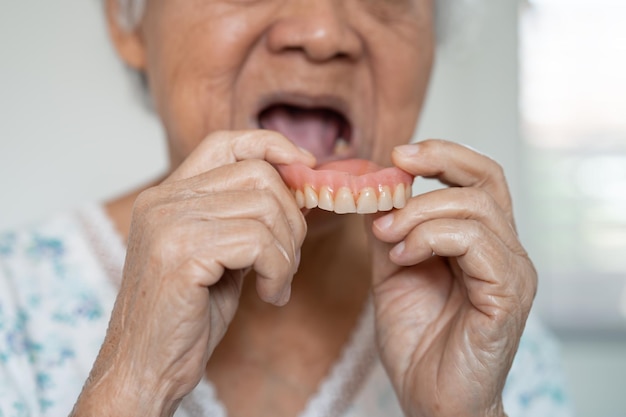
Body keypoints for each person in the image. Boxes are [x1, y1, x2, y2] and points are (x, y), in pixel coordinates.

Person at [0, 0, 572, 416]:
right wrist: (131, 388)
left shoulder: (489, 327)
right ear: (127, 22)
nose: (323, 32)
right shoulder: (16, 303)